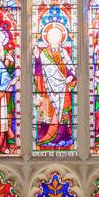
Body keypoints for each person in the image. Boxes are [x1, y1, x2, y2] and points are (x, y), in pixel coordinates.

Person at [33, 13, 76, 148]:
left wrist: (71, 77)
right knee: (47, 114)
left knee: (63, 115)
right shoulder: (43, 54)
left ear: (61, 38)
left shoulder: (64, 53)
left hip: (63, 88)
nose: (54, 39)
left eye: (57, 36)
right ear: (47, 38)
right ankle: (46, 137)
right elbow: (38, 73)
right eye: (51, 36)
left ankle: (63, 138)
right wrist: (37, 59)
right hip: (47, 90)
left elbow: (71, 69)